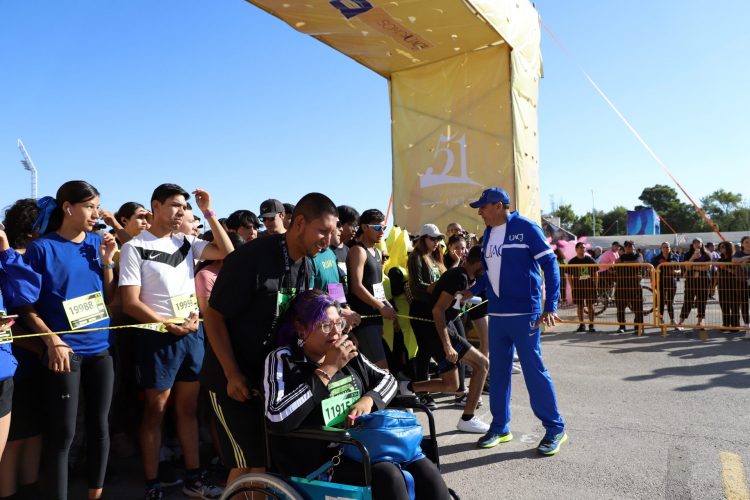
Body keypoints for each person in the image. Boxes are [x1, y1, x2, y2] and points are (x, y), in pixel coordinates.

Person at [201, 193, 352, 486]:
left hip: (271, 379)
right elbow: (214, 317)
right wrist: (231, 373)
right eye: (322, 231)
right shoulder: (249, 259)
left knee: (265, 465)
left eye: (332, 232)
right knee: (250, 464)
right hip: (230, 377)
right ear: (299, 223)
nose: (328, 240)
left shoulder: (308, 264)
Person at [264, 290, 450, 500]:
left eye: (339, 323)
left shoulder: (348, 352)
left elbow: (388, 380)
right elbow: (277, 417)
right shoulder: (283, 360)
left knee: (425, 469)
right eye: (325, 325)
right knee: (388, 475)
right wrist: (328, 369)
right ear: (300, 327)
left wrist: (368, 399)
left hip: (363, 444)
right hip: (318, 458)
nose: (336, 332)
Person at [119, 184, 232, 500]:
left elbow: (227, 252)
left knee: (187, 409)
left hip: (191, 335)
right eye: (175, 205)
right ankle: (152, 481)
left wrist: (208, 212)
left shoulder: (186, 241)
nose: (181, 212)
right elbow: (130, 302)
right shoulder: (134, 247)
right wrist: (166, 323)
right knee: (155, 411)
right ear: (156, 206)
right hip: (156, 338)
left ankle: (193, 477)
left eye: (184, 207)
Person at [21, 181, 117, 500]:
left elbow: (110, 298)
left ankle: (95, 495)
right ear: (68, 208)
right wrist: (52, 340)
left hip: (101, 349)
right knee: (63, 434)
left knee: (100, 427)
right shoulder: (42, 248)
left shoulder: (97, 243)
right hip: (65, 353)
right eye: (89, 207)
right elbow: (26, 307)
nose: (96, 213)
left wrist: (108, 262)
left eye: (97, 207)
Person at [463, 187, 566, 455]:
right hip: (497, 313)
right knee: (498, 373)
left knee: (533, 371)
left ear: (498, 205)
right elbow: (490, 273)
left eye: (483, 207)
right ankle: (500, 427)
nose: (480, 212)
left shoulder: (526, 228)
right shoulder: (488, 233)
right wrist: (472, 291)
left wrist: (550, 305)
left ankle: (555, 428)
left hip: (525, 313)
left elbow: (550, 265)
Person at [407, 246, 490, 433]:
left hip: (441, 327)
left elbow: (437, 292)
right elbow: (438, 311)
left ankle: (409, 388)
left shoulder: (467, 278)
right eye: (486, 265)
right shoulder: (459, 277)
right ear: (479, 263)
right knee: (482, 364)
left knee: (451, 384)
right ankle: (468, 418)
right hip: (438, 328)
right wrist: (447, 346)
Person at [0, 200, 45, 500]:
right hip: (22, 359)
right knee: (14, 439)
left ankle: (29, 489)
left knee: (32, 431)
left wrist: (5, 252)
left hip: (15, 367)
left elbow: (27, 292)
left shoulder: (10, 259)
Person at [346, 209, 396, 370]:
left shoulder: (376, 252)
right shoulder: (358, 251)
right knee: (382, 370)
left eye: (384, 227)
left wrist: (387, 305)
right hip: (363, 319)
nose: (382, 232)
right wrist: (381, 307)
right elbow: (356, 286)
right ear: (364, 227)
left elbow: (377, 285)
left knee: (379, 371)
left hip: (376, 318)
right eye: (377, 228)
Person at [407, 224, 450, 408]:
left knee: (428, 350)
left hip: (434, 308)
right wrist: (436, 289)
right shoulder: (416, 256)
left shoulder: (435, 256)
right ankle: (422, 392)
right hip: (421, 309)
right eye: (433, 238)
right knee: (425, 351)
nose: (436, 242)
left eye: (438, 239)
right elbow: (417, 286)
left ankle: (425, 389)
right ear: (423, 238)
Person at [676, 238, 712, 330]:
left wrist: (693, 267)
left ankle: (700, 321)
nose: (697, 244)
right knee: (688, 301)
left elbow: (708, 267)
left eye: (699, 243)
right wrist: (693, 258)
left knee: (702, 301)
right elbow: (687, 267)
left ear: (702, 244)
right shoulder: (688, 254)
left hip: (703, 281)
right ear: (692, 245)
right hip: (691, 281)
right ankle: (681, 322)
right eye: (695, 243)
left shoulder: (706, 254)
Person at [615, 241, 644, 334]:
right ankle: (622, 326)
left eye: (630, 246)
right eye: (626, 246)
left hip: (634, 286)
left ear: (634, 247)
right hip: (621, 286)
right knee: (620, 308)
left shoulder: (638, 255)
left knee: (638, 308)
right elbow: (616, 263)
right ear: (624, 247)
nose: (628, 247)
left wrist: (624, 263)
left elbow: (637, 262)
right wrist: (626, 263)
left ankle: (638, 327)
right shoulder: (622, 256)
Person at [566, 242, 597, 332]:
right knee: (580, 306)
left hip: (589, 287)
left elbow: (596, 273)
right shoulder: (572, 261)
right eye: (580, 247)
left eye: (584, 247)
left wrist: (595, 285)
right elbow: (569, 275)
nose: (582, 249)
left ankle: (591, 325)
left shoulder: (590, 260)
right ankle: (582, 325)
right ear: (576, 249)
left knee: (590, 306)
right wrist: (572, 287)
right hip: (578, 287)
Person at [651, 242, 681, 327]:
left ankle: (672, 319)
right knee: (661, 302)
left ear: (670, 248)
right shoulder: (656, 258)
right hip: (660, 282)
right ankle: (660, 319)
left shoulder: (675, 257)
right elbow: (652, 270)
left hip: (672, 282)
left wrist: (676, 272)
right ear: (661, 249)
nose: (666, 249)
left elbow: (679, 270)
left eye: (667, 247)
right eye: (664, 247)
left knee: (670, 302)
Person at [716, 241, 739, 330]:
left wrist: (725, 268)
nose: (721, 248)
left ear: (728, 248)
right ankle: (725, 324)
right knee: (724, 305)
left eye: (723, 247)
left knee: (734, 306)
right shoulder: (720, 260)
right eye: (720, 247)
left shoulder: (734, 259)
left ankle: (735, 325)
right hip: (722, 286)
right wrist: (713, 286)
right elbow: (718, 274)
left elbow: (736, 272)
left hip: (733, 285)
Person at [731, 236, 750, 332]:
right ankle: (747, 325)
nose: (749, 244)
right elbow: (734, 260)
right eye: (746, 242)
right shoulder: (738, 253)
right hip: (742, 281)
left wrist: (744, 260)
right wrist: (746, 258)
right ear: (742, 244)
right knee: (744, 303)